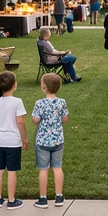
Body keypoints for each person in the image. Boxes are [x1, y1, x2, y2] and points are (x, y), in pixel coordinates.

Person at [0, 71, 28, 209]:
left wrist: (0, 126)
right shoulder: (17, 102)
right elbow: (21, 122)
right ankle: (11, 200)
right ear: (14, 85)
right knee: (12, 170)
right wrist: (25, 138)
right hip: (12, 141)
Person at [31, 72, 69, 208]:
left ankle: (43, 198)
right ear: (58, 88)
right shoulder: (62, 102)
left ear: (44, 87)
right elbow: (65, 119)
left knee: (43, 169)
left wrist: (39, 118)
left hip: (42, 141)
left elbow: (35, 120)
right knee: (57, 167)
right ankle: (59, 196)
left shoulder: (40, 103)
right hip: (58, 140)